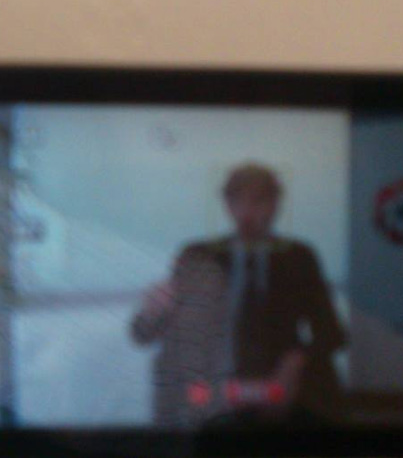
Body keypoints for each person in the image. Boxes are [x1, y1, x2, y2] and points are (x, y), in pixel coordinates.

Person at [131, 163, 346, 427]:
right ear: (227, 205)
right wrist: (152, 313)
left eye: (258, 200)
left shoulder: (298, 257)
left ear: (275, 204)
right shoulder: (198, 255)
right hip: (213, 398)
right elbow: (143, 333)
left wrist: (295, 362)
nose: (247, 211)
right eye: (237, 200)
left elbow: (332, 333)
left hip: (285, 395)